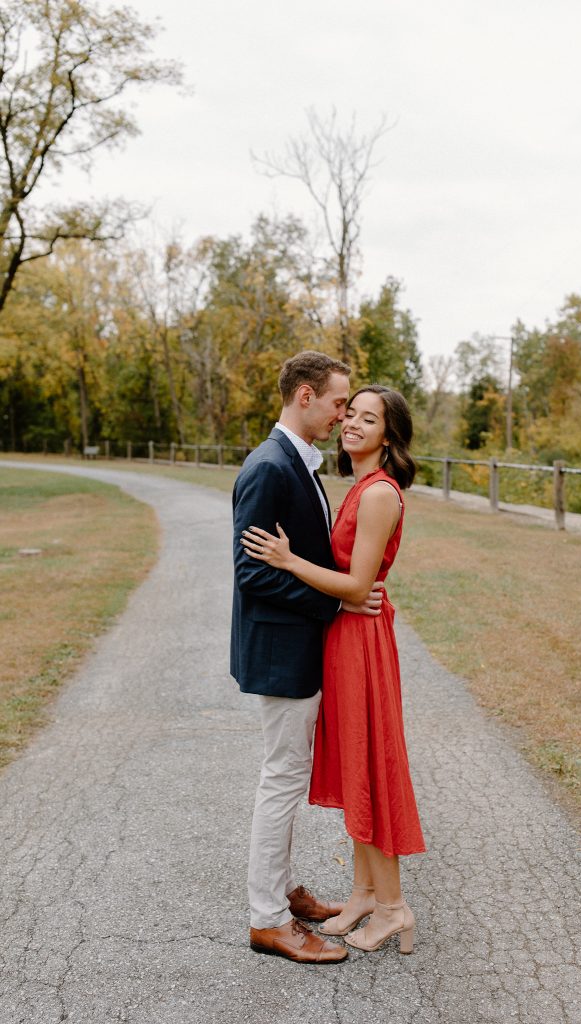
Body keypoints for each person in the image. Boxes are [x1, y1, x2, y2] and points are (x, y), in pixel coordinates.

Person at [242, 384, 425, 956]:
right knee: (353, 765)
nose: (350, 422)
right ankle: (365, 893)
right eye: (349, 412)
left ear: (389, 436)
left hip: (361, 639)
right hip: (342, 638)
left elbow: (357, 585)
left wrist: (289, 558)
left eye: (367, 418)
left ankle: (393, 907)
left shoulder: (377, 495)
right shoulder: (357, 486)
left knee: (369, 761)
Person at [231, 351, 384, 965]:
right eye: (337, 403)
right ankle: (267, 919)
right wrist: (337, 607)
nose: (342, 415)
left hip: (296, 647)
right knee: (282, 779)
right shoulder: (270, 466)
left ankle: (283, 889)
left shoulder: (300, 463)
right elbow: (251, 573)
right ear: (304, 396)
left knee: (286, 778)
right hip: (282, 651)